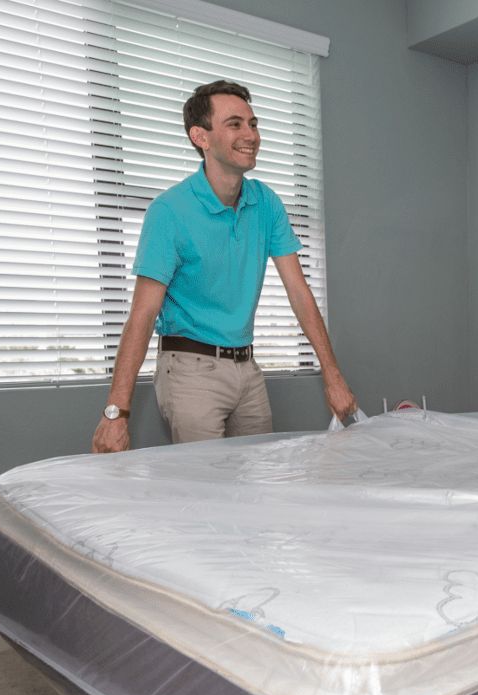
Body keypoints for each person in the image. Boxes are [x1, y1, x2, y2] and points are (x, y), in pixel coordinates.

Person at [92, 80, 357, 453]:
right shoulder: (169, 212)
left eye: (253, 123)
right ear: (200, 136)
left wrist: (333, 375)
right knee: (207, 494)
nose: (251, 134)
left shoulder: (265, 203)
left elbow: (299, 292)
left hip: (247, 369)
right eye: (235, 124)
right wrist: (116, 413)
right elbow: (143, 314)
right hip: (189, 370)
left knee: (255, 489)